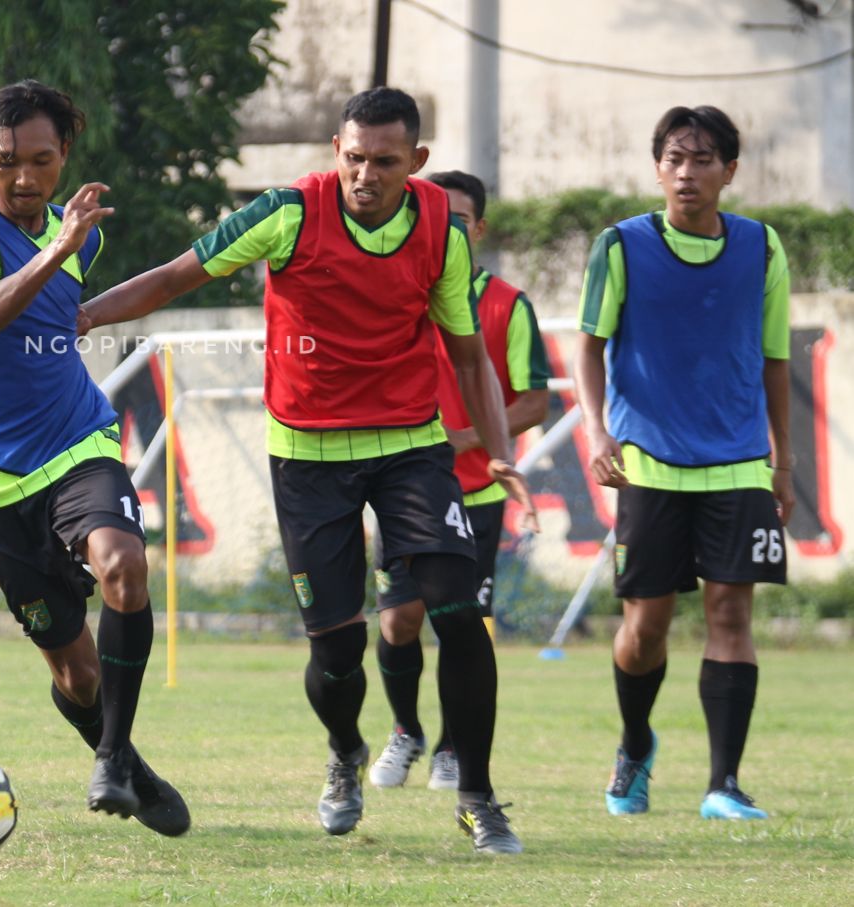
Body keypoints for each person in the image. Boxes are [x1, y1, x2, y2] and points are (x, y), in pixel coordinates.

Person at [81, 87, 537, 854]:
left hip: (410, 447)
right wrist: (87, 312)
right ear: (336, 150)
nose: (364, 174)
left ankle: (479, 797)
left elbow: (467, 354)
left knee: (456, 608)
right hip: (309, 456)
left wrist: (496, 449)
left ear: (416, 162)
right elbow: (173, 276)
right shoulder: (287, 212)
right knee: (336, 654)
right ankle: (345, 754)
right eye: (352, 157)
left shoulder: (440, 228)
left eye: (383, 162)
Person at [0, 80, 188, 836]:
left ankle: (109, 759)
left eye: (41, 161)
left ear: (64, 155)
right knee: (75, 673)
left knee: (124, 566)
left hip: (78, 442)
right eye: (7, 161)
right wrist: (57, 248)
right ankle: (131, 763)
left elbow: (79, 305)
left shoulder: (82, 235)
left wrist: (78, 279)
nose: (24, 178)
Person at [574, 105, 794, 821]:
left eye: (703, 159)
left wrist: (782, 460)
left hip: (737, 461)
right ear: (657, 167)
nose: (686, 172)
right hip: (650, 464)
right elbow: (588, 346)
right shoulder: (620, 246)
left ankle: (723, 783)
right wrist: (599, 433)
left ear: (730, 171)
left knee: (732, 614)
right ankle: (636, 745)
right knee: (647, 629)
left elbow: (774, 359)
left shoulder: (762, 248)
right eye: (674, 157)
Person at [368, 170, 549, 793]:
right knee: (397, 622)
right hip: (399, 486)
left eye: (461, 218)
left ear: (479, 227)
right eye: (439, 216)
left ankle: (452, 748)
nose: (450, 227)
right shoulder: (398, 292)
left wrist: (467, 438)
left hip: (475, 493)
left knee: (461, 625)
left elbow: (532, 402)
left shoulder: (506, 304)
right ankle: (404, 732)